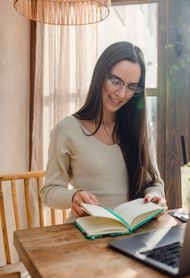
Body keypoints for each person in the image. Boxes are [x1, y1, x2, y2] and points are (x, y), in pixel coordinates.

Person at [41, 41, 167, 222]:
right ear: (100, 76)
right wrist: (74, 196)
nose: (122, 93)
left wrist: (155, 196)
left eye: (131, 87)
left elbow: (154, 182)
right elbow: (49, 191)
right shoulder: (67, 129)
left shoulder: (140, 128)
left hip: (132, 233)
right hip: (87, 233)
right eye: (116, 81)